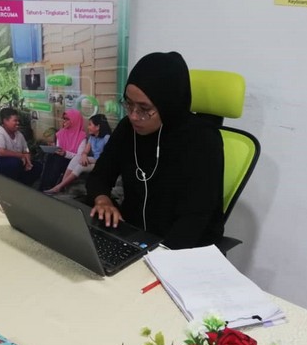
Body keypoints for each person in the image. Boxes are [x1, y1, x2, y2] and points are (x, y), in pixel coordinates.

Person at [86, 52, 224, 249]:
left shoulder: (202, 139)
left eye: (144, 109)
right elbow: (99, 175)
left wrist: (159, 256)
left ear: (168, 104)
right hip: (134, 238)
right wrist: (102, 200)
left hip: (184, 248)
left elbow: (195, 218)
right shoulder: (127, 129)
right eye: (129, 104)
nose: (134, 116)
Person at [44, 114, 112, 194]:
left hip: (102, 164)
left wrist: (90, 160)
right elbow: (85, 151)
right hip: (94, 159)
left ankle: (58, 187)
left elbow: (107, 158)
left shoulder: (107, 138)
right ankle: (61, 185)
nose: (88, 127)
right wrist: (84, 155)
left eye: (90, 124)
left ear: (98, 127)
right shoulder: (92, 137)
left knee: (81, 166)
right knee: (77, 157)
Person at [0, 107, 42, 185]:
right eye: (15, 120)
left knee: (37, 166)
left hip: (17, 162)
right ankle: (10, 186)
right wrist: (21, 155)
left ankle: (23, 186)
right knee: (15, 163)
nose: (18, 123)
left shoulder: (19, 134)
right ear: (5, 121)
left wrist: (28, 162)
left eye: (18, 120)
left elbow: (26, 150)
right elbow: (0, 152)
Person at [38, 108, 87, 191]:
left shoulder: (82, 136)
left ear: (74, 120)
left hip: (72, 162)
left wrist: (65, 153)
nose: (64, 121)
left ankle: (50, 186)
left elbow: (79, 157)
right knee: (51, 157)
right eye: (64, 118)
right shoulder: (61, 133)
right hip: (60, 158)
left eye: (67, 119)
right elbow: (58, 148)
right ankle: (44, 185)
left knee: (57, 159)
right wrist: (54, 149)